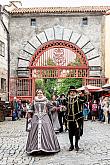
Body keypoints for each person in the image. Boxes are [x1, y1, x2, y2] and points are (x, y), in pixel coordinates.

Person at [26, 89, 60, 154]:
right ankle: (35, 148)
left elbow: (51, 108)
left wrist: (57, 108)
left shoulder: (46, 101)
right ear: (36, 94)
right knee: (34, 133)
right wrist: (30, 119)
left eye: (41, 93)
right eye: (38, 93)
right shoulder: (34, 101)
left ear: (43, 94)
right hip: (35, 119)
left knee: (47, 132)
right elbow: (30, 110)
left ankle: (46, 148)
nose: (39, 94)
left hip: (45, 118)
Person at [66, 86, 84, 151]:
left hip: (77, 119)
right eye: (71, 92)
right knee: (70, 133)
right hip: (69, 119)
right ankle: (71, 145)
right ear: (69, 93)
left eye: (73, 92)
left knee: (77, 132)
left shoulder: (78, 99)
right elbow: (64, 107)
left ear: (75, 93)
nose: (72, 93)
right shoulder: (66, 99)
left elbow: (84, 100)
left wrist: (83, 95)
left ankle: (76, 145)